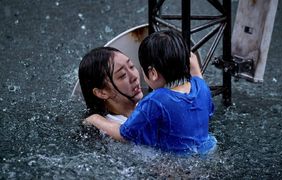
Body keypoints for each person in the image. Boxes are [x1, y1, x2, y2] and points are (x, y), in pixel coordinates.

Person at [86, 30, 217, 155]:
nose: (135, 76)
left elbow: (124, 134)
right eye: (122, 75)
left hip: (178, 166)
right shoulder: (201, 87)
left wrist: (95, 119)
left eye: (133, 67)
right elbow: (203, 99)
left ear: (153, 73)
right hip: (210, 151)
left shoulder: (155, 100)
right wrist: (194, 67)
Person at [78, 46, 144, 125]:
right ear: (102, 93)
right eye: (122, 75)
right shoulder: (109, 133)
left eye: (131, 66)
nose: (134, 76)